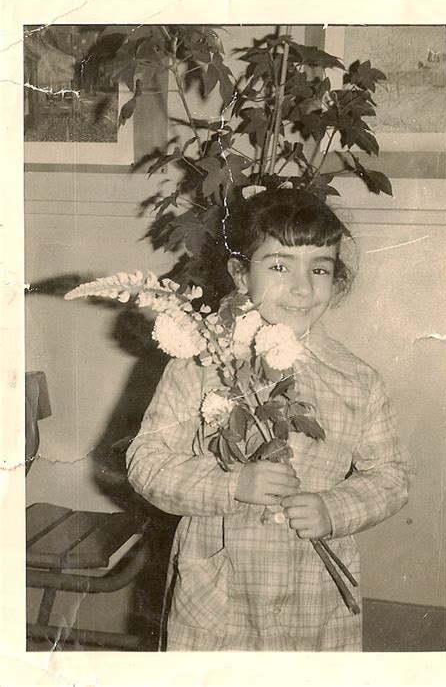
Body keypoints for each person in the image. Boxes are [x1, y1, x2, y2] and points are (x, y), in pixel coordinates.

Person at [126, 187, 411, 651]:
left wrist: (333, 508)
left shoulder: (358, 379)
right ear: (241, 274)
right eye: (279, 266)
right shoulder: (199, 365)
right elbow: (146, 461)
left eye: (320, 268)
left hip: (313, 600)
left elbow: (392, 476)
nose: (302, 288)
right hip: (219, 601)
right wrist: (230, 485)